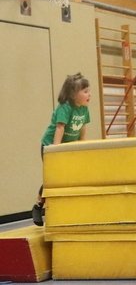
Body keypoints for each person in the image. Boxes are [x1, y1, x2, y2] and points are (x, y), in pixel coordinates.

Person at [32, 73, 91, 226]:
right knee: (53, 178)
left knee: (69, 176)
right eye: (85, 91)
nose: (89, 94)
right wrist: (55, 151)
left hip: (67, 147)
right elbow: (60, 128)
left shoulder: (84, 109)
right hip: (51, 145)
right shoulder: (65, 108)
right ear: (73, 94)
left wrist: (83, 146)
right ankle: (38, 205)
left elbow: (83, 127)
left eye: (89, 91)